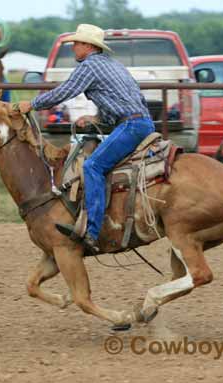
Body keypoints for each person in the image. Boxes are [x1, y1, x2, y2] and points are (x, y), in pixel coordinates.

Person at [18, 24, 155, 252]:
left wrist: (31, 104)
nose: (73, 48)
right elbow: (131, 98)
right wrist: (96, 118)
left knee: (92, 166)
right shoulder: (113, 65)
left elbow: (64, 91)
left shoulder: (89, 66)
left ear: (88, 46)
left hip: (130, 126)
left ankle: (92, 231)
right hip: (142, 123)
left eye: (77, 43)